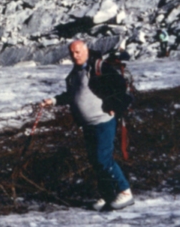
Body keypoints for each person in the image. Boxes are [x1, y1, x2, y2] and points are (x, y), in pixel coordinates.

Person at [41, 39, 133, 210]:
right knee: (96, 161)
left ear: (86, 51)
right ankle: (107, 195)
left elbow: (120, 86)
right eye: (72, 53)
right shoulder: (74, 74)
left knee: (102, 158)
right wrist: (53, 101)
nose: (75, 56)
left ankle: (125, 191)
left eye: (78, 52)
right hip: (87, 124)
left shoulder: (99, 67)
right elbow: (71, 95)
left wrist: (115, 106)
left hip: (102, 120)